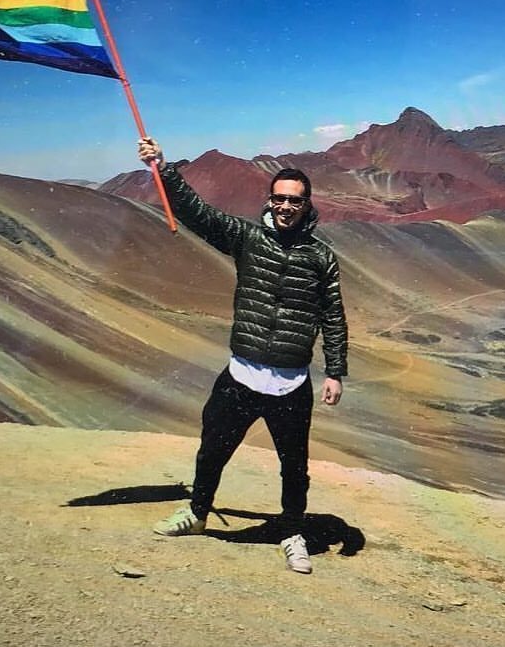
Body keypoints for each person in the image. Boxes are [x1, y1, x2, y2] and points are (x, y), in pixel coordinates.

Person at [137, 137, 348, 574]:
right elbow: (200, 215)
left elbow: (333, 315)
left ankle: (292, 533)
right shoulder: (247, 237)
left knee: (295, 466)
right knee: (212, 449)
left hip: (290, 382)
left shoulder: (321, 258)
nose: (287, 206)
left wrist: (335, 372)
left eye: (295, 200)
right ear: (270, 200)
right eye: (280, 198)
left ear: (308, 206)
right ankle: (197, 514)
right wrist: (162, 167)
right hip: (242, 374)